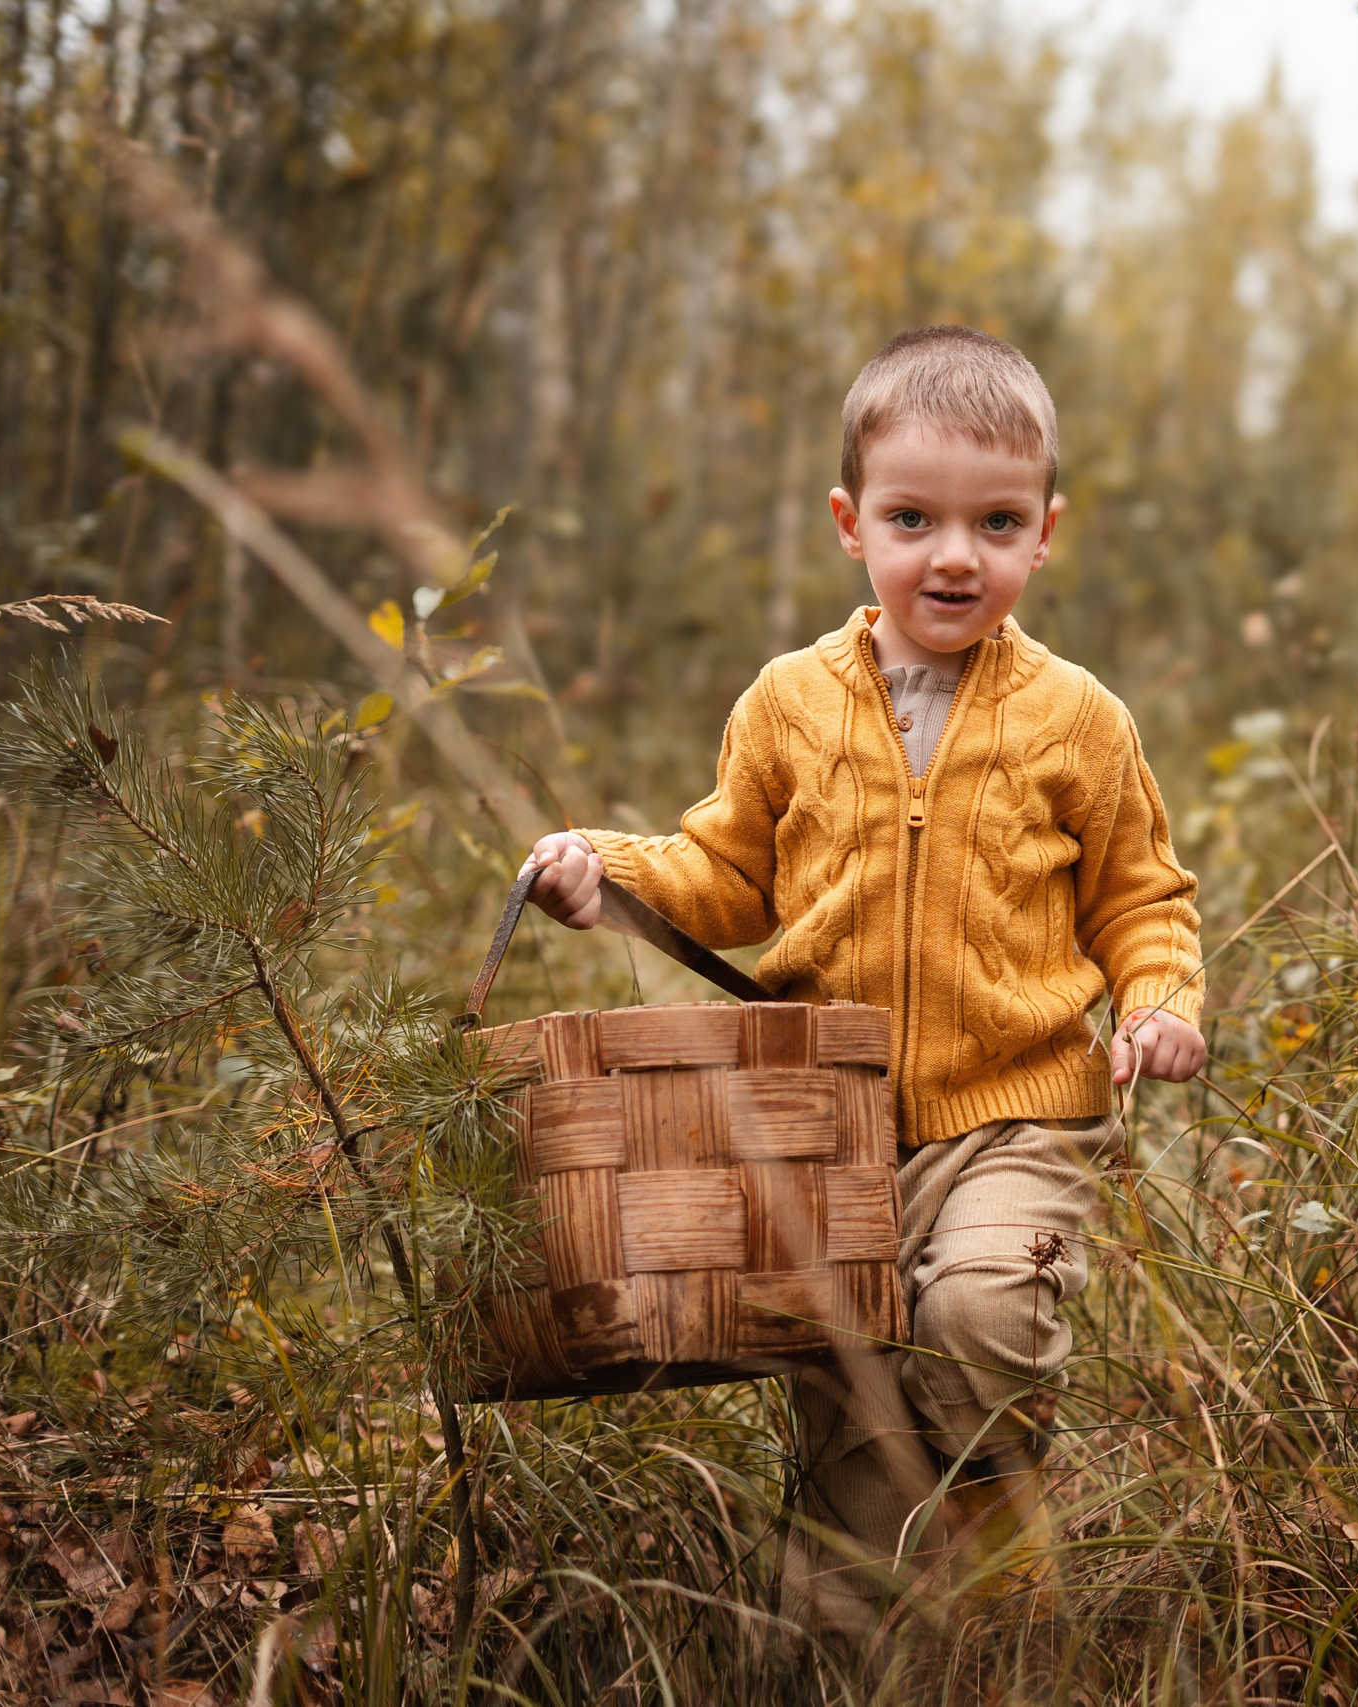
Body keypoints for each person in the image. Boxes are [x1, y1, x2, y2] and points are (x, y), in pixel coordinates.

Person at [517, 325, 1206, 1635]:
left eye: (996, 522)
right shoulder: (789, 704)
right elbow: (723, 874)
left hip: (1022, 1117)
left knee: (984, 1307)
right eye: (915, 517)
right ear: (852, 522)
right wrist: (598, 871)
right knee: (853, 1424)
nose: (956, 555)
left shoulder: (1079, 721)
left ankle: (997, 1502)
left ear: (1044, 533)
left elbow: (1141, 899)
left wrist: (1162, 1003)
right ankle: (860, 1653)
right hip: (825, 1132)